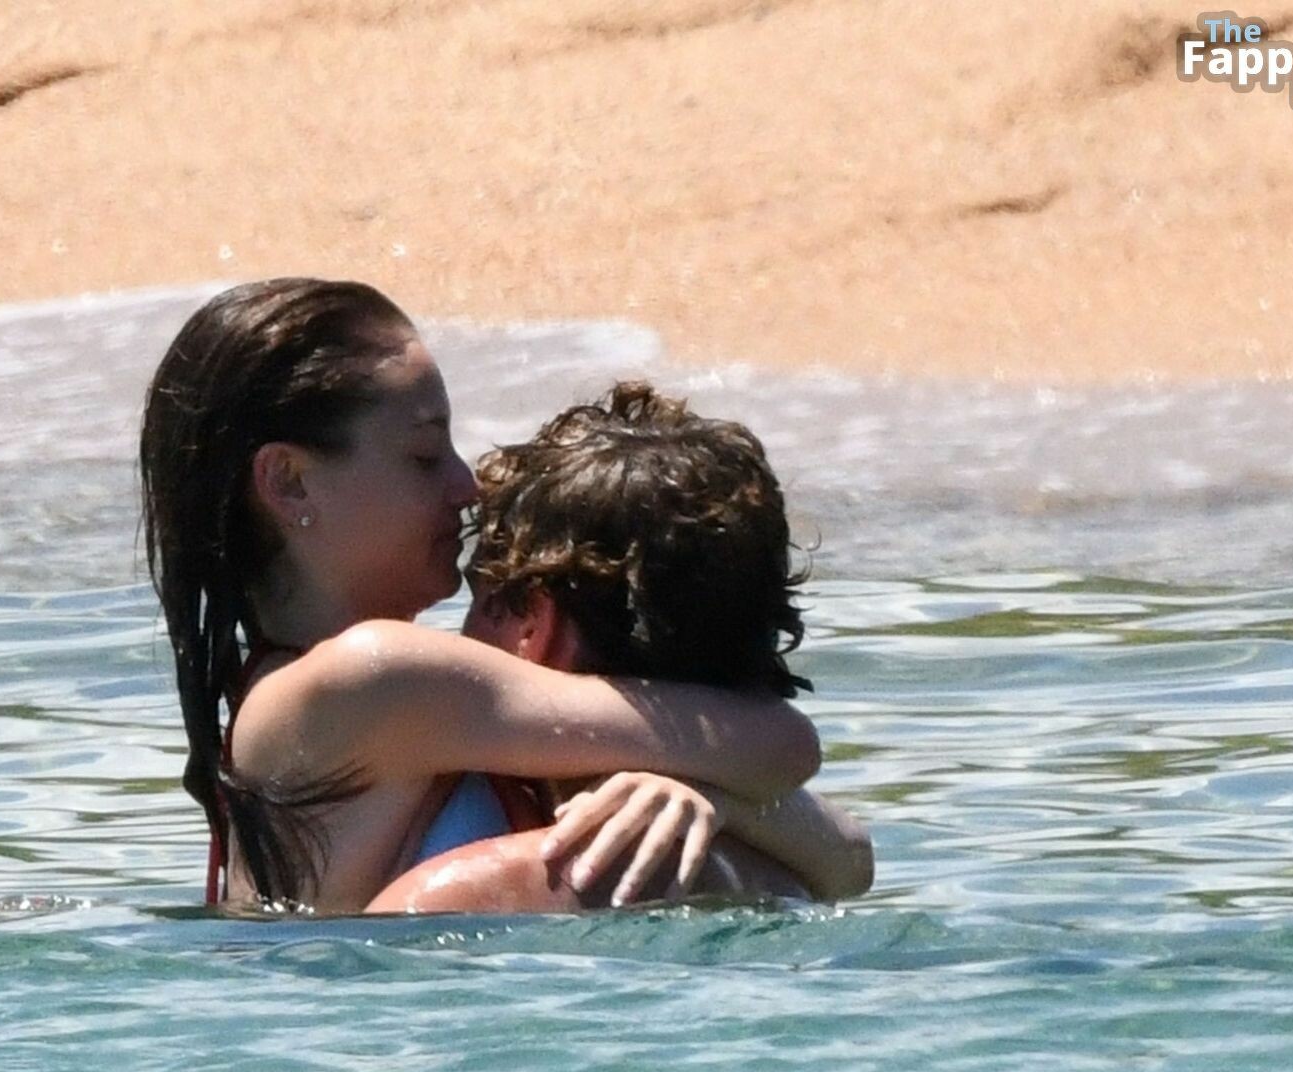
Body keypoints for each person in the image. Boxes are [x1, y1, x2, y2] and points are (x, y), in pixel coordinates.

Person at [139, 278, 821, 914]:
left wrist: (706, 800)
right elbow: (782, 743)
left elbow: (844, 849)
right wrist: (717, 794)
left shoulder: (392, 700)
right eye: (424, 455)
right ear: (289, 481)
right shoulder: (373, 676)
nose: (467, 487)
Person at [367, 381, 873, 915]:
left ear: (533, 626)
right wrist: (733, 805)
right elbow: (855, 857)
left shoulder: (460, 888)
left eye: (481, 597)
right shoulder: (792, 874)